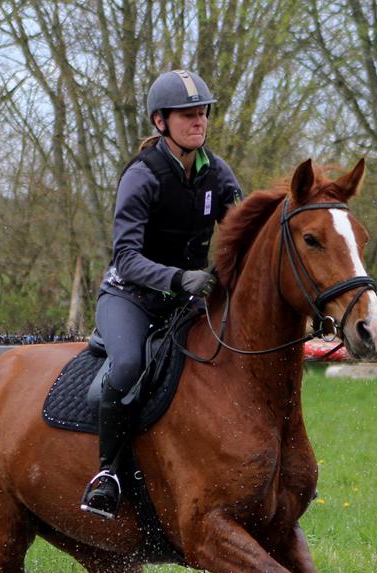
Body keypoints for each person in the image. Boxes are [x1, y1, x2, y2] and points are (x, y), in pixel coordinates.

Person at [81, 69, 243, 519]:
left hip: (186, 300)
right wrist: (178, 278)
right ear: (160, 122)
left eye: (203, 113)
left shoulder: (218, 173)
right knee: (130, 363)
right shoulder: (143, 176)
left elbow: (241, 236)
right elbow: (127, 257)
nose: (199, 122)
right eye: (188, 114)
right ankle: (106, 475)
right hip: (130, 297)